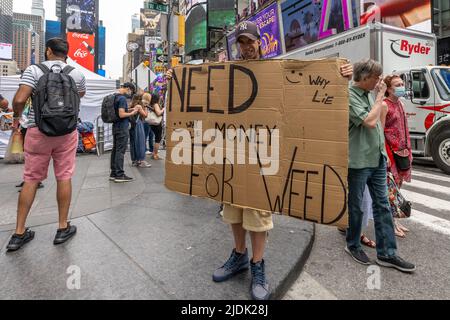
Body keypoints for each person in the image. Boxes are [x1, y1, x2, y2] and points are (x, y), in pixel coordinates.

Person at [6, 38, 86, 252]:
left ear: (48, 51)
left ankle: (19, 233)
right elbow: (79, 95)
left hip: (38, 130)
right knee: (64, 176)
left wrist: (16, 117)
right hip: (67, 132)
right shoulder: (76, 73)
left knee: (31, 179)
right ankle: (62, 228)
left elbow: (20, 99)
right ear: (66, 53)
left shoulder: (34, 70)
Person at [346, 59, 415, 272]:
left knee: (383, 205)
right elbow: (368, 121)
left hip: (377, 159)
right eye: (376, 78)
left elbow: (378, 128)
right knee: (356, 206)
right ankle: (353, 244)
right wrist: (379, 97)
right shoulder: (350, 96)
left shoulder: (370, 95)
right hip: (358, 161)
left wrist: (384, 154)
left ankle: (387, 253)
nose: (379, 82)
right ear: (365, 77)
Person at [381, 75, 412, 238]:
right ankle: (390, 223)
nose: (401, 86)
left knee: (398, 187)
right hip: (391, 153)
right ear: (388, 88)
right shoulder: (384, 106)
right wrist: (385, 154)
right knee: (390, 190)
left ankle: (395, 218)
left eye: (402, 84)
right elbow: (380, 131)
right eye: (397, 85)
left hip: (404, 152)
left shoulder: (401, 103)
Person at [110, 82, 139, 183]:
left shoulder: (114, 96)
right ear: (128, 88)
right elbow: (122, 114)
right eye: (130, 91)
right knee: (120, 150)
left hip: (115, 126)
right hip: (122, 127)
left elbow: (119, 111)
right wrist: (132, 112)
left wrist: (130, 109)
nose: (130, 93)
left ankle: (113, 173)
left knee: (115, 149)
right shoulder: (122, 98)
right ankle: (119, 174)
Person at [129, 94, 151, 168]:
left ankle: (135, 160)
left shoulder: (131, 105)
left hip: (132, 125)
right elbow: (145, 115)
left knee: (133, 143)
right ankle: (141, 161)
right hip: (138, 125)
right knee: (140, 142)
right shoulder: (138, 106)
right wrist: (146, 108)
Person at [148, 93, 164, 160]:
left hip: (152, 123)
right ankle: (155, 155)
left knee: (156, 138)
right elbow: (158, 113)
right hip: (157, 124)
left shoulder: (151, 104)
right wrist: (163, 109)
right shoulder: (156, 104)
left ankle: (154, 153)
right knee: (158, 139)